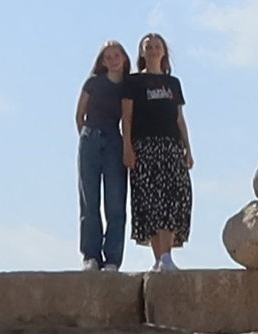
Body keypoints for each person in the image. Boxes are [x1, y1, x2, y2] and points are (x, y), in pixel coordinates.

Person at [124, 30, 195, 272]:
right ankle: (160, 258)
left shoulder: (173, 83)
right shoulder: (133, 82)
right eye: (148, 46)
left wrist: (188, 148)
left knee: (176, 197)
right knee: (150, 201)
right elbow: (127, 118)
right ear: (142, 52)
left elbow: (179, 118)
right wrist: (128, 148)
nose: (153, 49)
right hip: (145, 145)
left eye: (157, 46)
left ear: (163, 51)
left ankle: (167, 256)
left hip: (171, 145)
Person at [73, 41, 131, 270]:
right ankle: (91, 255)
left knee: (115, 201)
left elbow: (129, 118)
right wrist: (87, 138)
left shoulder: (128, 86)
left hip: (115, 140)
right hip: (91, 136)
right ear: (102, 61)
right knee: (89, 200)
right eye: (108, 56)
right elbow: (79, 115)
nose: (113, 59)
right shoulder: (93, 82)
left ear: (124, 58)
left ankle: (113, 258)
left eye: (116, 55)